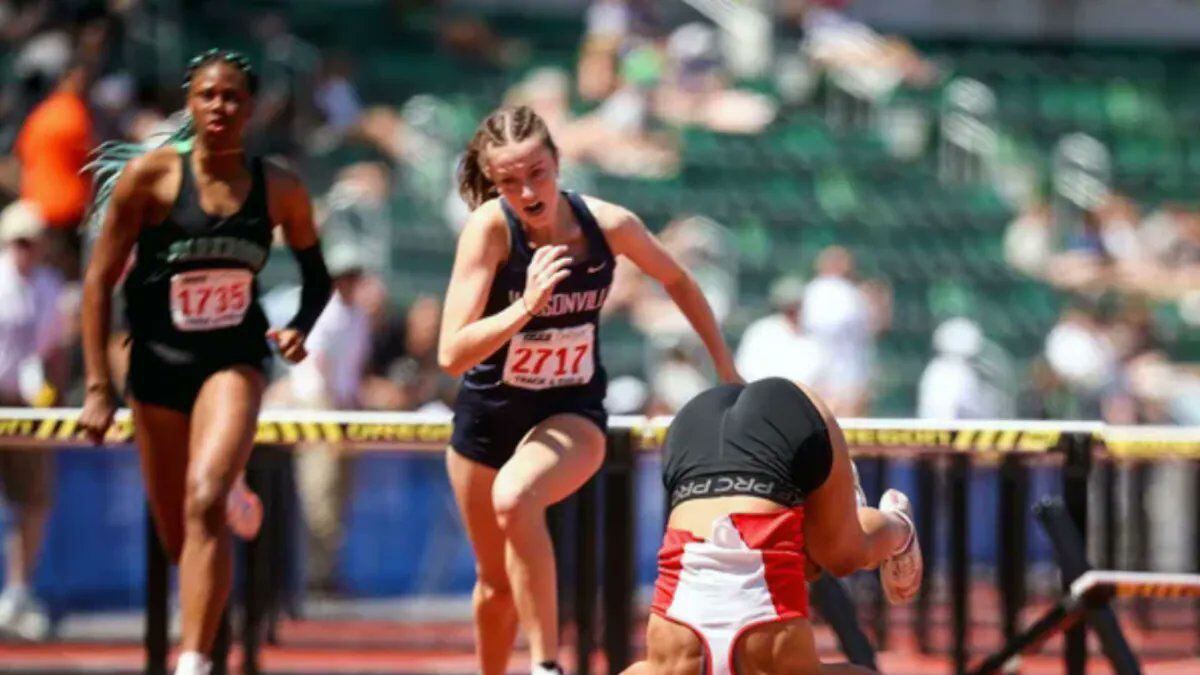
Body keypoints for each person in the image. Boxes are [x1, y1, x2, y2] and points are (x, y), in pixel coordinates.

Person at [439, 104, 739, 675]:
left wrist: (725, 366)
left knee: (516, 496)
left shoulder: (608, 225)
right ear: (493, 183)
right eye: (508, 180)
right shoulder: (491, 230)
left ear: (558, 163)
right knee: (493, 586)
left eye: (538, 173)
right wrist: (525, 306)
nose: (527, 191)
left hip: (569, 412)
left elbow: (676, 277)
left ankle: (546, 665)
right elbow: (451, 354)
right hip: (487, 417)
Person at [76, 49, 332, 675]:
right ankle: (229, 489)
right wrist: (97, 387)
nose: (219, 107)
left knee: (204, 500)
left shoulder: (280, 187)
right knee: (177, 535)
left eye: (233, 98)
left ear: (251, 107)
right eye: (208, 96)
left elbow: (317, 277)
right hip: (158, 361)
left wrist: (299, 327)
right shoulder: (152, 178)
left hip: (234, 359)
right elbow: (98, 282)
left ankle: (193, 662)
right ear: (190, 102)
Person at [626, 377, 922, 675]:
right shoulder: (670, 662)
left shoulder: (772, 661)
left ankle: (897, 526)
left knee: (838, 556)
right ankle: (858, 520)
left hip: (772, 426)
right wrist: (723, 364)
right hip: (698, 420)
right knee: (830, 556)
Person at [0, 201, 68, 641]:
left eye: (33, 242)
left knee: (34, 501)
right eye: (19, 241)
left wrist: (51, 397)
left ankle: (18, 593)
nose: (27, 250)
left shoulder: (50, 286)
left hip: (27, 408)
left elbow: (54, 353)